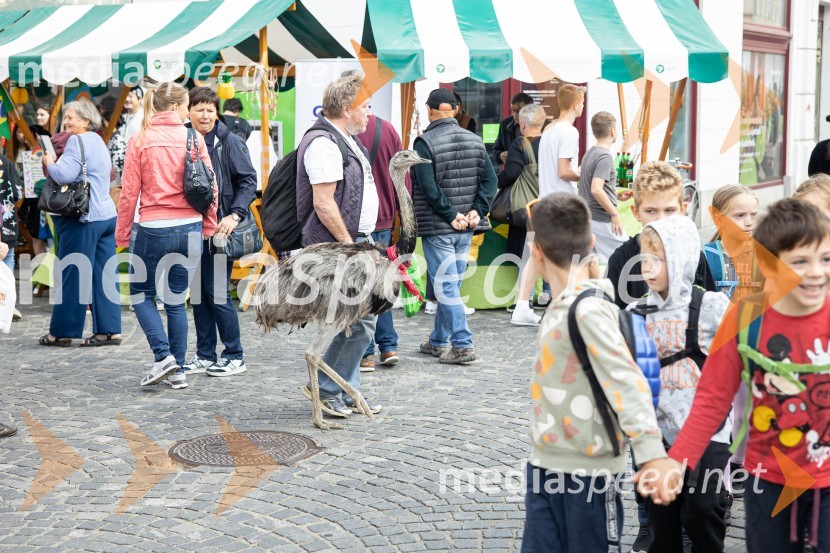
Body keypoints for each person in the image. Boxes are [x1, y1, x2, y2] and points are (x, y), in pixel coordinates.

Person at [640, 199, 830, 553]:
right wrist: (675, 461)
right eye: (801, 262)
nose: (817, 272)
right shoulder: (746, 317)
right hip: (770, 479)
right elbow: (712, 399)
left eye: (826, 259)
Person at [521, 193, 673, 553]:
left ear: (536, 252)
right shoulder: (563, 306)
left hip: (590, 474)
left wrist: (652, 454)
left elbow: (626, 379)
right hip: (545, 464)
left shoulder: (588, 309)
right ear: (591, 243)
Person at [633, 216, 731, 553]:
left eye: (657, 259)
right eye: (644, 258)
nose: (648, 267)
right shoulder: (636, 312)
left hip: (710, 431)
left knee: (703, 510)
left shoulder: (711, 307)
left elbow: (736, 363)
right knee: (662, 519)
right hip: (659, 432)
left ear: (681, 258)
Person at [117, 82, 218, 389]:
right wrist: (209, 225)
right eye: (188, 104)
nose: (190, 110)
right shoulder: (193, 137)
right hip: (189, 225)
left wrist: (122, 234)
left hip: (153, 226)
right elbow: (210, 186)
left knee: (140, 294)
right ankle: (179, 370)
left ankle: (164, 357)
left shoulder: (141, 138)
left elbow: (129, 193)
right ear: (176, 107)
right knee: (175, 300)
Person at [295, 70, 382, 417]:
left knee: (355, 321)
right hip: (340, 247)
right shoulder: (324, 143)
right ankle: (329, 389)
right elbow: (324, 201)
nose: (370, 113)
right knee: (360, 323)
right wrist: (350, 245)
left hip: (355, 242)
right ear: (347, 108)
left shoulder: (343, 139)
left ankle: (347, 391)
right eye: (366, 106)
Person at [412, 88, 496, 365]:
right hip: (466, 226)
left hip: (439, 226)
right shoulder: (475, 139)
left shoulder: (424, 142)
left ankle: (462, 344)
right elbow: (490, 182)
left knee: (446, 287)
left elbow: (427, 186)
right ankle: (438, 342)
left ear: (429, 110)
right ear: (456, 111)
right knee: (451, 285)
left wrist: (449, 214)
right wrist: (477, 211)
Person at [182, 87, 256, 378]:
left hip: (220, 229)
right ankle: (204, 354)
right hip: (192, 227)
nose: (205, 115)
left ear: (218, 112)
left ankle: (235, 354)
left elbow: (248, 181)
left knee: (216, 292)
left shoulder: (230, 141)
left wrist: (235, 214)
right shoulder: (184, 139)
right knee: (199, 294)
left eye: (210, 110)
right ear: (188, 111)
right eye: (199, 109)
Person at [38, 100, 121, 348]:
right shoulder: (98, 139)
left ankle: (62, 332)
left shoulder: (77, 141)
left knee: (73, 275)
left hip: (83, 218)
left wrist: (49, 161)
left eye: (71, 117)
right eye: (66, 117)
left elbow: (63, 174)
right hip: (106, 215)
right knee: (104, 275)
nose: (66, 121)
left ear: (86, 120)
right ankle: (109, 331)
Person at [702, 184, 762, 500]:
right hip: (718, 347)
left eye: (753, 214)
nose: (748, 221)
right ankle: (723, 482)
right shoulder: (708, 257)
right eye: (740, 215)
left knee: (746, 410)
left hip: (753, 346)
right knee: (721, 414)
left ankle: (741, 462)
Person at [606, 161, 716, 309]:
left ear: (682, 210)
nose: (661, 219)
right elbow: (614, 318)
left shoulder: (695, 256)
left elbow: (709, 307)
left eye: (669, 210)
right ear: (636, 212)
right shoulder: (621, 258)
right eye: (651, 211)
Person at [356, 114, 410, 370]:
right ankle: (388, 347)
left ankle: (366, 353)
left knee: (362, 286)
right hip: (385, 218)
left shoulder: (346, 131)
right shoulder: (388, 129)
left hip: (358, 220)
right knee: (382, 284)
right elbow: (403, 178)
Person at [496, 103, 546, 327]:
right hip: (547, 206)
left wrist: (497, 181)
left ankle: (521, 300)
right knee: (545, 250)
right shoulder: (550, 142)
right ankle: (545, 293)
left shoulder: (520, 143)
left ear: (523, 124)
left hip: (524, 208)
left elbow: (511, 174)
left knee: (526, 252)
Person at [577, 111, 626, 261]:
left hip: (588, 217)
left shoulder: (589, 153)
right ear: (612, 131)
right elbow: (596, 189)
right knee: (626, 256)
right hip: (602, 218)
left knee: (591, 261)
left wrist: (614, 193)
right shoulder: (605, 157)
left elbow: (589, 182)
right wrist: (614, 214)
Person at [538, 84, 583, 197]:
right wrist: (585, 175)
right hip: (562, 202)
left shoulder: (547, 131)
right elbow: (563, 172)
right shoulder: (569, 131)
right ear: (576, 105)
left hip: (545, 200)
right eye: (582, 102)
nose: (583, 105)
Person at [493, 92, 534, 169]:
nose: (515, 114)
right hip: (512, 175)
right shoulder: (505, 124)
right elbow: (496, 150)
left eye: (519, 111)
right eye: (512, 110)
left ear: (529, 110)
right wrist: (500, 156)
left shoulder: (539, 124)